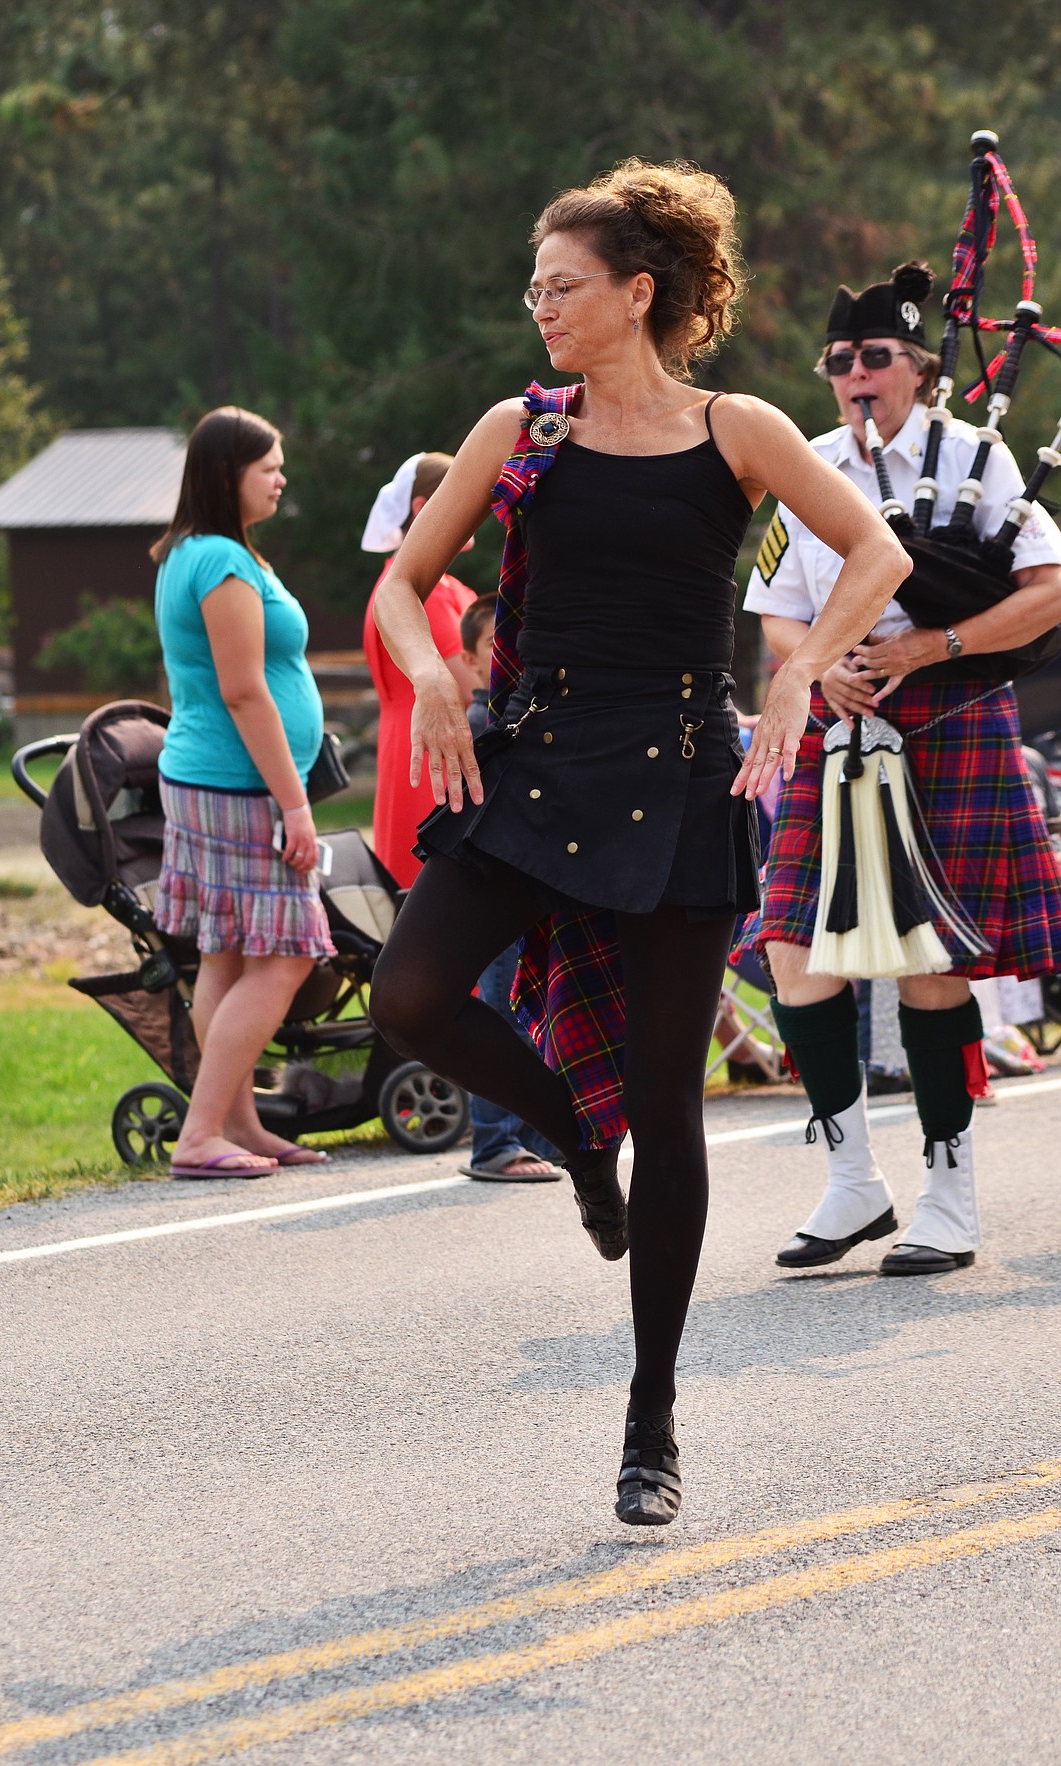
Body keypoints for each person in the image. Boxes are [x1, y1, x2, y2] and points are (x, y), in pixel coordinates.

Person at [367, 159, 910, 1526]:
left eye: (562, 285)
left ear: (637, 294)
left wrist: (794, 677)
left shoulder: (738, 431)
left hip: (678, 781)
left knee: (670, 1102)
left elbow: (875, 554)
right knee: (411, 994)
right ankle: (563, 1129)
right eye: (534, 286)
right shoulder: (520, 428)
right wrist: (429, 672)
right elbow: (399, 580)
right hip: (530, 763)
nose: (538, 305)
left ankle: (650, 1416)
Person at [742, 261, 1061, 1276]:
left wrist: (934, 645)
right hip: (834, 720)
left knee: (931, 963)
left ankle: (951, 1191)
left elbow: (1048, 588)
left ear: (921, 368)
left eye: (874, 357)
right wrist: (818, 663)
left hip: (946, 709)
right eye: (839, 361)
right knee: (794, 949)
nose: (852, 374)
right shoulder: (808, 464)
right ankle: (852, 1183)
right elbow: (776, 610)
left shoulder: (978, 457)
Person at [151, 407, 336, 1178]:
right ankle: (199, 1137)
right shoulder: (220, 562)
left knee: (226, 957)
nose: (281, 477)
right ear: (229, 476)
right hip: (238, 787)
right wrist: (294, 804)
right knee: (288, 956)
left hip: (214, 780)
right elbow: (244, 691)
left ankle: (239, 1124)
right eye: (269, 467)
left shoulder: (202, 552)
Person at [457, 595, 562, 1181]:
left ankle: (534, 1139)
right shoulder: (484, 725)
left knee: (532, 1013)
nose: (512, 658)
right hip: (496, 889)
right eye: (496, 650)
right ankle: (495, 1144)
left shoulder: (526, 715)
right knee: (500, 1015)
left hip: (531, 888)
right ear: (473, 663)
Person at [362, 454, 475, 887]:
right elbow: (468, 688)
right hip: (434, 745)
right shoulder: (426, 592)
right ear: (421, 508)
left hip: (406, 739)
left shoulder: (406, 582)